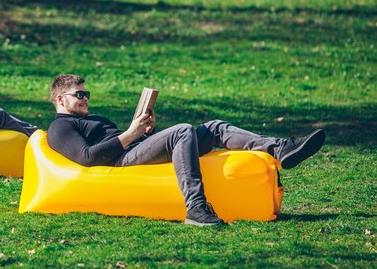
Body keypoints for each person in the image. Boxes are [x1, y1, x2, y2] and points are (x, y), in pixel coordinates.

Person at [47, 74, 326, 226]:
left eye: (87, 94)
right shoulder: (60, 128)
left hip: (134, 146)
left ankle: (280, 150)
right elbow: (87, 158)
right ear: (60, 99)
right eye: (79, 95)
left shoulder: (89, 119)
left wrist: (146, 131)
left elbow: (124, 139)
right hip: (120, 160)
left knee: (214, 127)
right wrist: (131, 134)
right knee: (182, 130)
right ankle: (195, 208)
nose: (86, 99)